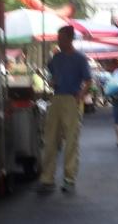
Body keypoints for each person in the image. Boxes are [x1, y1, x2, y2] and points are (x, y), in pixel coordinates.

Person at [39, 25, 91, 194]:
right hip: (56, 98)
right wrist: (52, 81)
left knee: (70, 140)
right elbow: (52, 75)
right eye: (58, 38)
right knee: (50, 139)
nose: (59, 41)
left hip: (71, 99)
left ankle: (69, 179)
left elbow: (88, 81)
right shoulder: (56, 58)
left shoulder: (80, 58)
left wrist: (80, 95)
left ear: (70, 39)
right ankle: (47, 178)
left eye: (61, 38)